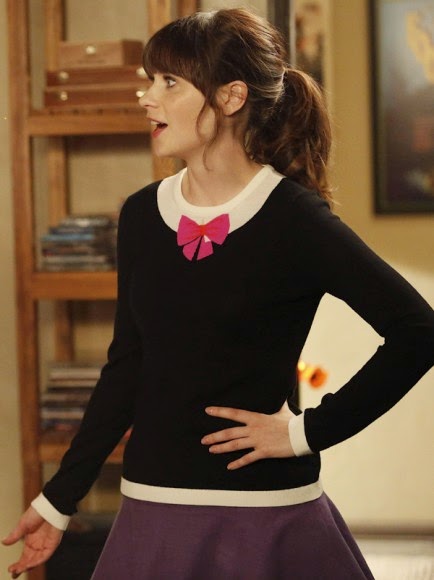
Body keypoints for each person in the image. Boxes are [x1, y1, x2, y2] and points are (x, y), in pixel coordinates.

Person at [3, 8, 434, 579]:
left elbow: (418, 330)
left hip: (266, 517)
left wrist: (306, 433)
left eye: (169, 82)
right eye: (149, 80)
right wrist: (59, 498)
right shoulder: (141, 215)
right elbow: (127, 365)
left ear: (231, 97)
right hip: (151, 508)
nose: (146, 98)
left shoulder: (295, 218)